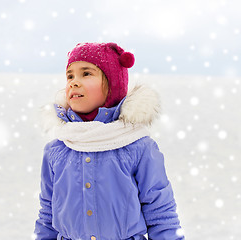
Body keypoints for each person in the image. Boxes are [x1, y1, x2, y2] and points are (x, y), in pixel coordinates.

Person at [34, 42, 184, 240]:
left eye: (86, 73)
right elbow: (47, 214)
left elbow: (161, 213)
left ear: (113, 84)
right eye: (70, 75)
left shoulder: (138, 147)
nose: (73, 82)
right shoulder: (57, 149)